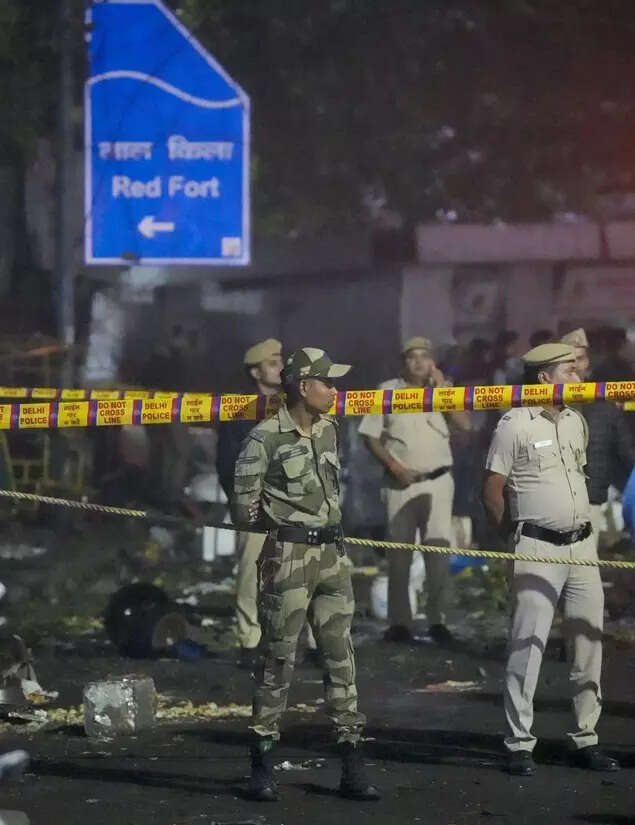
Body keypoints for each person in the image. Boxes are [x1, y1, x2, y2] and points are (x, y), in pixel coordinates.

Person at [233, 347, 380, 803]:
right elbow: (244, 507)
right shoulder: (264, 439)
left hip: (333, 554)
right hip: (289, 556)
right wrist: (283, 530)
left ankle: (352, 765)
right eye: (327, 382)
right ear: (303, 386)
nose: (335, 391)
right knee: (279, 658)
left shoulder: (330, 430)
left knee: (341, 658)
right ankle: (261, 765)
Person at [482, 343, 620, 776]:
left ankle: (585, 737)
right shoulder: (514, 424)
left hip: (583, 548)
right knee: (528, 645)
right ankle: (519, 744)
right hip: (537, 548)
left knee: (588, 644)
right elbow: (492, 490)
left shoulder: (577, 421)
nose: (579, 377)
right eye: (569, 370)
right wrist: (516, 539)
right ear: (544, 378)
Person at [358, 336, 471, 644]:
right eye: (413, 357)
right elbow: (370, 436)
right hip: (400, 483)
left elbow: (465, 425)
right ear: (403, 362)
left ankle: (438, 621)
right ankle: (400, 623)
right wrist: (393, 466)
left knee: (438, 553)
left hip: (438, 482)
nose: (419, 362)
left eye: (425, 356)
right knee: (399, 555)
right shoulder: (387, 391)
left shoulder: (443, 390)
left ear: (433, 362)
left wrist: (443, 389)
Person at [216, 339, 284, 670]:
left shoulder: (294, 403)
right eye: (273, 363)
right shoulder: (240, 408)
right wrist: (241, 500)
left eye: (281, 361)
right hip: (254, 497)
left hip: (292, 499)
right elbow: (227, 459)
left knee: (300, 569)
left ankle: (303, 641)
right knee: (252, 570)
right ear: (256, 372)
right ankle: (250, 641)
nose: (281, 367)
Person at [560, 328, 635, 552]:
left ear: (588, 362)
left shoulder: (603, 402)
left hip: (591, 497)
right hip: (551, 501)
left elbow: (627, 452)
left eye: (580, 359)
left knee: (585, 565)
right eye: (569, 360)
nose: (576, 366)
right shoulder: (543, 403)